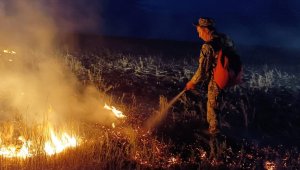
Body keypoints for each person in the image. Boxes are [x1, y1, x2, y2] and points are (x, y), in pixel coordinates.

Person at [185, 17, 235, 135]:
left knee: (213, 107)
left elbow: (202, 70)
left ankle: (214, 136)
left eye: (199, 32)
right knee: (218, 105)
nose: (199, 35)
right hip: (228, 78)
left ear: (205, 30)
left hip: (217, 79)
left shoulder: (208, 46)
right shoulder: (223, 39)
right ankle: (215, 130)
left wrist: (192, 82)